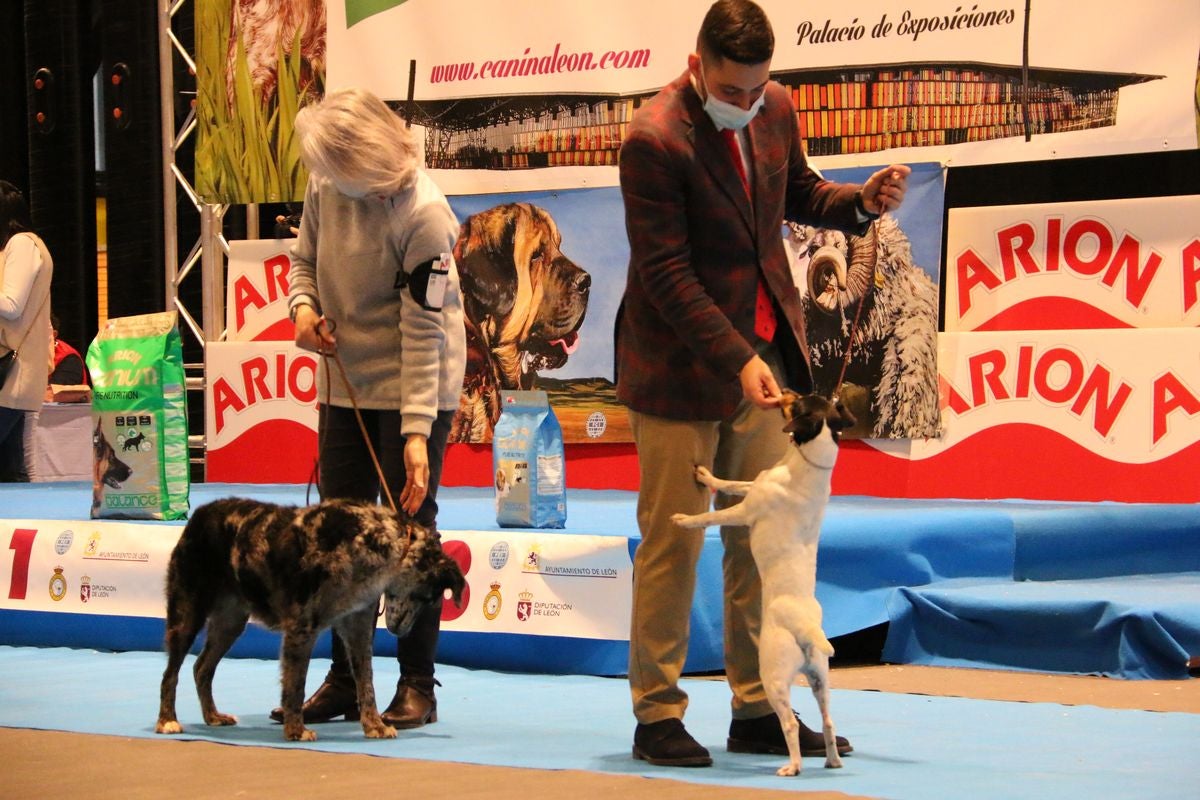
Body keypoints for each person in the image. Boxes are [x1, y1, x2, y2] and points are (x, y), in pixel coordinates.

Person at [615, 0, 910, 767]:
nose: (747, 104)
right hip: (680, 367)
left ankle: (758, 705)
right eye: (733, 90)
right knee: (674, 542)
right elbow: (668, 275)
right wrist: (734, 355)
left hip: (764, 359)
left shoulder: (775, 107)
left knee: (761, 540)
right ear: (698, 63)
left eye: (758, 89)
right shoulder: (653, 140)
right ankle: (657, 714)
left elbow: (797, 194)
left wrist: (857, 203)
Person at [275, 87, 467, 729]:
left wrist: (416, 433)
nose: (331, 184)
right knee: (338, 535)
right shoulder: (329, 183)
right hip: (347, 381)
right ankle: (345, 678)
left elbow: (424, 332)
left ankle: (419, 685)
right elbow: (303, 262)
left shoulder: (427, 217)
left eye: (342, 175)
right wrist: (303, 313)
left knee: (412, 536)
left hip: (417, 382)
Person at [0, 180, 53, 483]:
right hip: (11, 375)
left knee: (12, 470)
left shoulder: (23, 243)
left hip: (11, 375)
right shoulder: (18, 245)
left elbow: (11, 304)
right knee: (11, 470)